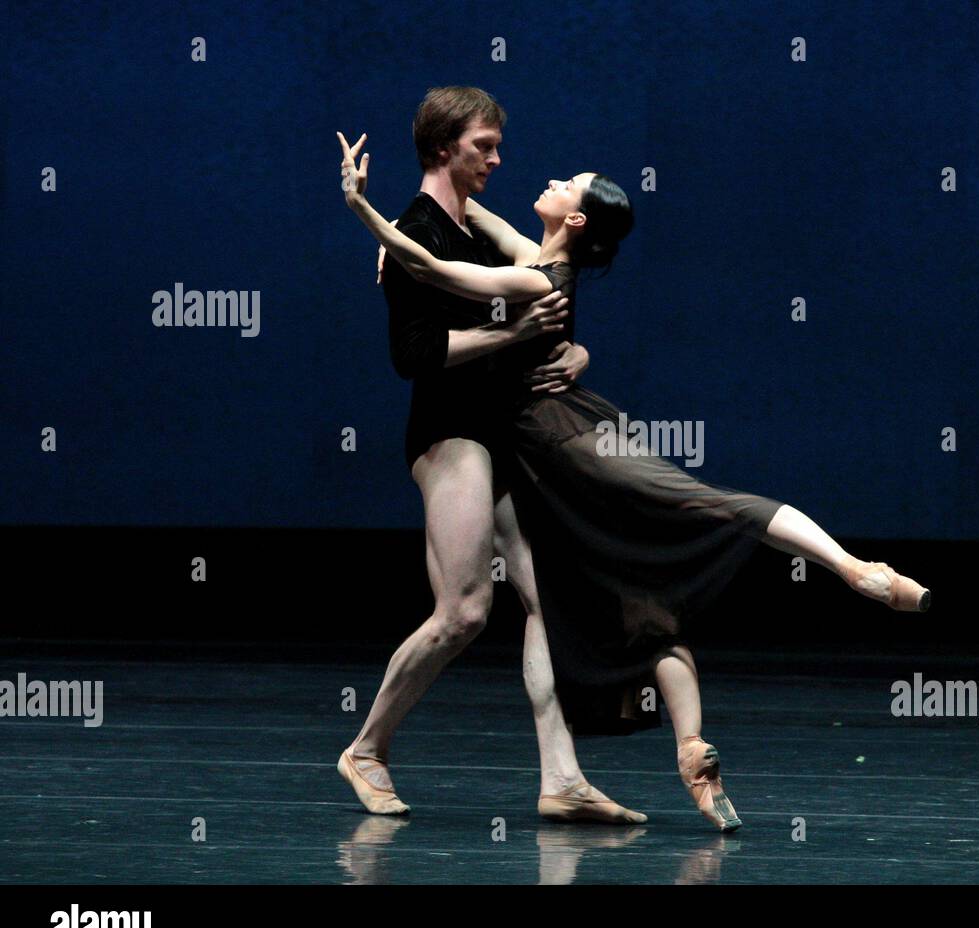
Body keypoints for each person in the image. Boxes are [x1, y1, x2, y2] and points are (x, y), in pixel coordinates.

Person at [339, 138, 932, 832]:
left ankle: (853, 569)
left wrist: (364, 212)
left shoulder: (536, 276)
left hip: (558, 442)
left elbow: (440, 266)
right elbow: (469, 229)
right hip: (532, 448)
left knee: (688, 511)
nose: (548, 176)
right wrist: (403, 237)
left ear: (578, 219)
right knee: (591, 600)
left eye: (567, 182)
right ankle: (601, 769)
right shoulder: (536, 257)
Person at [334, 87, 644, 825]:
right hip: (452, 431)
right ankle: (366, 749)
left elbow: (545, 295)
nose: (498, 160)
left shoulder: (471, 224)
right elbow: (415, 357)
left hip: (500, 427)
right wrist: (511, 335)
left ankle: (562, 777)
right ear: (444, 148)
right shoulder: (414, 232)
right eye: (485, 147)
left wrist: (573, 350)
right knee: (465, 612)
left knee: (545, 602)